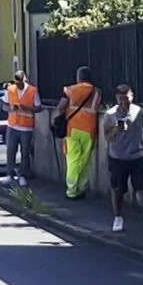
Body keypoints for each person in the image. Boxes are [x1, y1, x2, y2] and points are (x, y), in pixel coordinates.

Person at [104, 84, 143, 232]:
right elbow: (107, 137)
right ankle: (118, 217)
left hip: (138, 155)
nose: (124, 102)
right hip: (118, 157)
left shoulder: (140, 112)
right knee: (118, 189)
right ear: (117, 99)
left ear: (132, 97)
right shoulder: (110, 114)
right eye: (121, 99)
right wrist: (116, 130)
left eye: (127, 99)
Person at [53, 66, 102, 200]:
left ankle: (72, 190)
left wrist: (57, 118)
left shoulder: (71, 90)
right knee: (85, 161)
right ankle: (81, 188)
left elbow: (61, 107)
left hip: (73, 128)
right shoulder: (97, 92)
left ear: (78, 77)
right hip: (90, 129)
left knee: (73, 159)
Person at [1, 70, 39, 187]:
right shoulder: (10, 89)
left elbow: (38, 108)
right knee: (10, 151)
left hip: (26, 127)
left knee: (25, 152)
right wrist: (11, 108)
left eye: (20, 83)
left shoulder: (32, 91)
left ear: (24, 80)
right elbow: (4, 105)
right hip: (12, 125)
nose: (18, 86)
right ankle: (10, 174)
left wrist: (26, 108)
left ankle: (22, 175)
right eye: (16, 83)